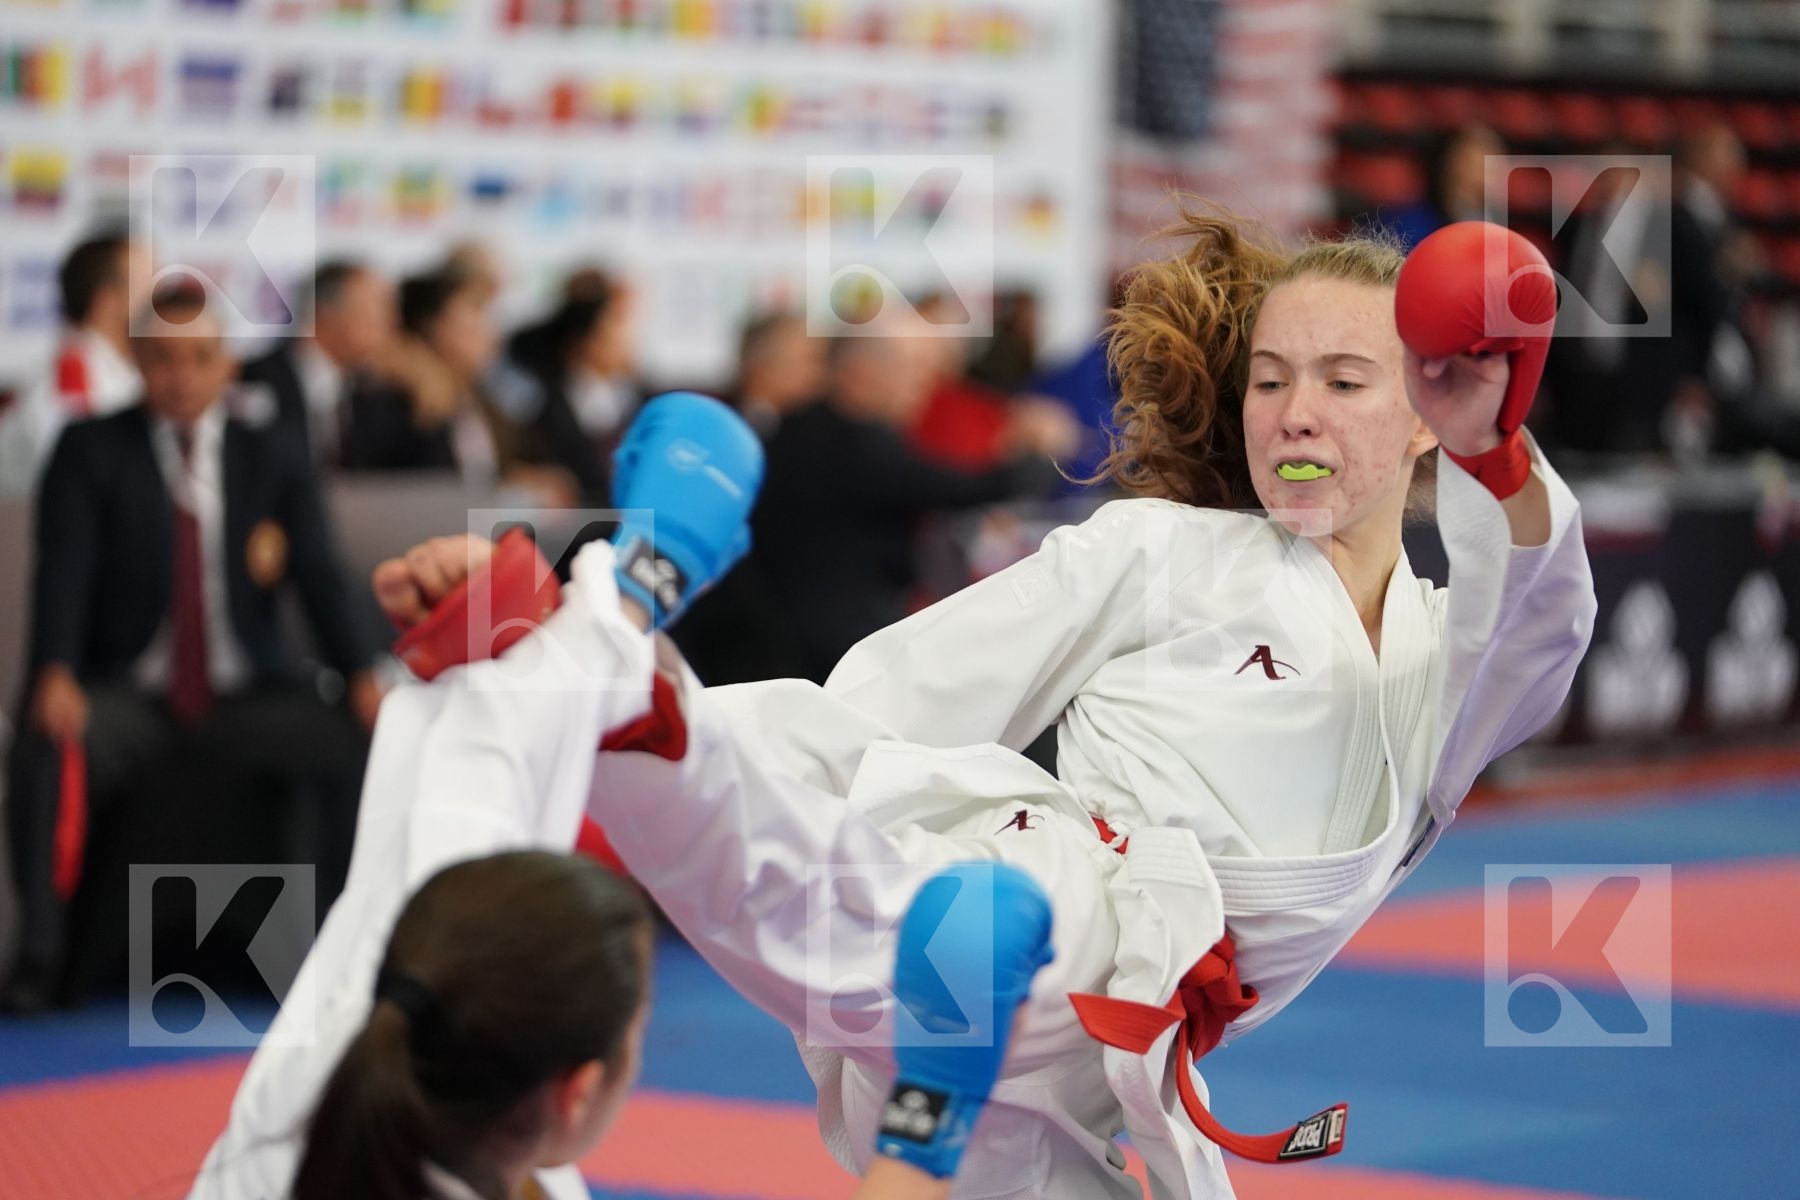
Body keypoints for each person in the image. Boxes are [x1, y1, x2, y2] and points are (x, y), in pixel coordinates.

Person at [368, 212, 1596, 1197]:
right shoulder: (1166, 550)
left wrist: (1502, 456)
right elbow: (898, 692)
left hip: (1112, 1057)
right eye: (1270, 379)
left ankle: (604, 672)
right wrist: (768, 760)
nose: (1294, 412)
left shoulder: (1442, 661)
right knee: (842, 892)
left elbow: (1537, 630)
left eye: (1344, 379)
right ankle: (604, 667)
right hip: (1046, 892)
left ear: (1432, 420)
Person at [195, 392, 1053, 1200]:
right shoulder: (338, 1070)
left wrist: (604, 608)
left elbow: (455, 818)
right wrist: (929, 1106)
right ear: (576, 1098)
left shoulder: (314, 1093)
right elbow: (453, 803)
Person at [1, 285, 383, 1013]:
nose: (181, 377)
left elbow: (321, 576)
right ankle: (41, 963)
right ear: (139, 364)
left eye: (199, 359)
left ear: (227, 367)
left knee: (356, 740)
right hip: (129, 690)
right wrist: (52, 672)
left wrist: (363, 672)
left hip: (248, 691)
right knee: (45, 747)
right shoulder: (89, 449)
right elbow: (63, 573)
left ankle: (341, 957)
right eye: (162, 360)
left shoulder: (269, 454)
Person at [753, 331, 1065, 681]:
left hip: (792, 643)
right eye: (914, 371)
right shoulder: (855, 448)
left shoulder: (799, 430)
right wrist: (1039, 451)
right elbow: (973, 487)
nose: (924, 388)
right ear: (863, 373)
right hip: (836, 655)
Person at [0, 232, 151, 495]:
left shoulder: (127, 370)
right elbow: (73, 483)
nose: (162, 301)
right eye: (151, 285)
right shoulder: (71, 374)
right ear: (109, 300)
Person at [236, 259, 402, 467]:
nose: (391, 321)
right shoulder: (253, 378)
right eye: (380, 306)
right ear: (327, 312)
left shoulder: (377, 390)